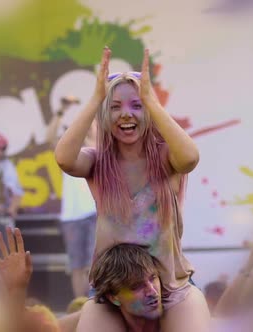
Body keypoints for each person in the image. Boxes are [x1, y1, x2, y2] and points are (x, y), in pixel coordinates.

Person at [54, 47, 209, 331]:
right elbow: (64, 158)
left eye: (136, 106)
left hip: (171, 287)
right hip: (114, 292)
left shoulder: (166, 157)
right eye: (115, 107)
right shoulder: (97, 161)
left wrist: (151, 100)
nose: (126, 114)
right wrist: (95, 99)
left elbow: (190, 158)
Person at [47, 96, 98, 298]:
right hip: (71, 216)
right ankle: (80, 307)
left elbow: (93, 131)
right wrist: (61, 111)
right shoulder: (68, 149)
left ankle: (96, 305)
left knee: (95, 264)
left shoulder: (97, 146)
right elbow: (49, 138)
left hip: (95, 212)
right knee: (77, 266)